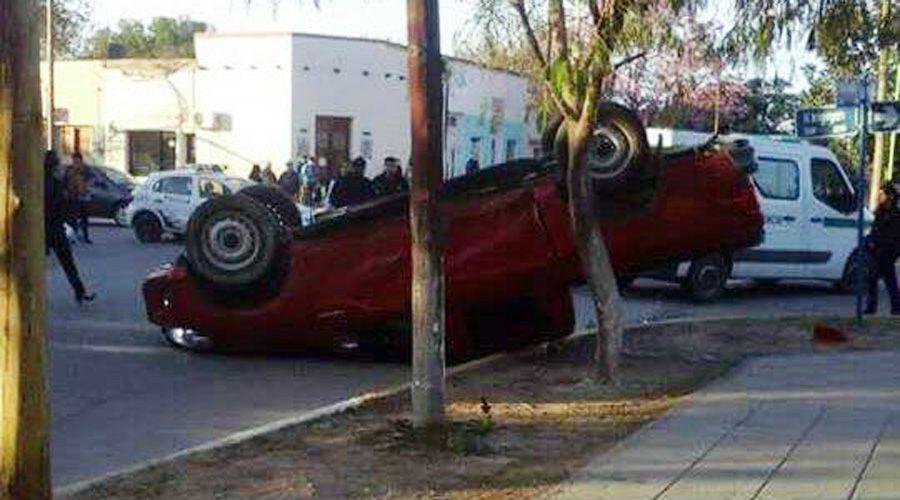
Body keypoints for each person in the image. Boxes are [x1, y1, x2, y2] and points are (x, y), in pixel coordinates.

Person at [45, 151, 95, 305]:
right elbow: (64, 204)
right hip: (55, 227)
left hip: (43, 227)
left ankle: (79, 291)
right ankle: (79, 292)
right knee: (67, 262)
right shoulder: (56, 182)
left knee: (38, 263)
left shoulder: (38, 182)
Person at [865, 182, 900, 315]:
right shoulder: (881, 212)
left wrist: (879, 244)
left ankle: (874, 307)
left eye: (883, 194)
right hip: (878, 251)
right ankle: (894, 308)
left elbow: (893, 236)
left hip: (887, 252)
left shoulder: (895, 215)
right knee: (885, 280)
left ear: (890, 197)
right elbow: (875, 230)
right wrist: (870, 241)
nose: (880, 196)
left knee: (877, 278)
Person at [64, 151, 91, 244]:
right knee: (73, 218)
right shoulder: (70, 169)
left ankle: (86, 236)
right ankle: (73, 236)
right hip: (73, 197)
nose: (75, 161)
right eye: (74, 160)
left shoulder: (85, 169)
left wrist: (79, 171)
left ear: (80, 160)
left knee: (84, 218)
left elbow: (90, 179)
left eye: (77, 159)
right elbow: (65, 180)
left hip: (83, 197)